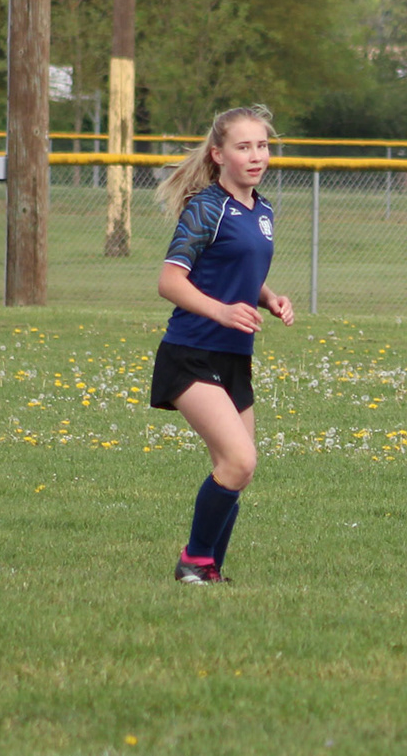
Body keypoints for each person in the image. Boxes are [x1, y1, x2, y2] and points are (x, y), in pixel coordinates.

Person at [149, 105, 294, 584]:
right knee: (239, 460)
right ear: (218, 155)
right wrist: (223, 311)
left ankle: (208, 569)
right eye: (243, 147)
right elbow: (170, 282)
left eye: (262, 146)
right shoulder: (206, 207)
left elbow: (236, 268)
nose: (256, 156)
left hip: (234, 357)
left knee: (237, 470)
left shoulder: (263, 210)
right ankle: (193, 561)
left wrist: (269, 297)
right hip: (190, 352)